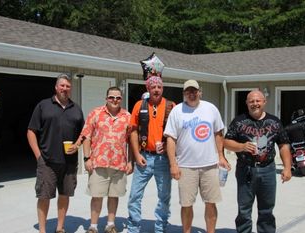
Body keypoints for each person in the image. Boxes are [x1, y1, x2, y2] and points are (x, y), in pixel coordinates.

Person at [164, 79, 231, 233]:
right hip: (186, 166)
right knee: (186, 204)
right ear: (184, 94)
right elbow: (170, 139)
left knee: (211, 202)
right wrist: (173, 164)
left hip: (209, 165)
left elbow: (218, 133)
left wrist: (221, 156)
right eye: (188, 91)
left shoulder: (211, 108)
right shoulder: (177, 111)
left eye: (194, 91)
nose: (192, 94)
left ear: (200, 92)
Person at [224, 90, 292, 233]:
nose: (255, 104)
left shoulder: (274, 121)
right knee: (244, 210)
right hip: (245, 170)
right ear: (247, 103)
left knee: (267, 210)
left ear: (264, 102)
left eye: (258, 101)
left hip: (268, 169)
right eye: (251, 101)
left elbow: (284, 145)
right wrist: (242, 146)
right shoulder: (239, 121)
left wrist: (287, 168)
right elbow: (226, 142)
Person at [27, 73, 84, 233]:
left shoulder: (76, 109)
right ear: (56, 87)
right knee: (44, 196)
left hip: (69, 163)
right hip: (47, 161)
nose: (65, 89)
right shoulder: (43, 106)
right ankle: (43, 230)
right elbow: (31, 131)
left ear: (70, 89)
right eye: (62, 85)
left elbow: (83, 133)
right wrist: (38, 156)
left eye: (67, 86)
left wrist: (78, 145)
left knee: (65, 195)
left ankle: (60, 227)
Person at [126, 73, 175, 233]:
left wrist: (169, 149)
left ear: (162, 89)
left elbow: (177, 133)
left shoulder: (171, 106)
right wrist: (136, 155)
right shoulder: (139, 105)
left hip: (163, 160)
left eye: (159, 87)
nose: (156, 90)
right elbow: (133, 132)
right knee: (134, 196)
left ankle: (161, 227)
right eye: (153, 87)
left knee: (164, 197)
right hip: (144, 157)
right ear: (148, 88)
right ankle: (134, 227)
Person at [81, 87, 132, 233]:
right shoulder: (95, 113)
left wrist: (130, 161)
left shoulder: (127, 116)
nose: (114, 100)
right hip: (98, 163)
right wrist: (87, 158)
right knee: (97, 196)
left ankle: (110, 225)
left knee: (114, 196)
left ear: (121, 99)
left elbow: (131, 140)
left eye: (118, 98)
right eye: (111, 97)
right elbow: (86, 136)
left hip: (119, 163)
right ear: (106, 98)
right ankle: (93, 226)